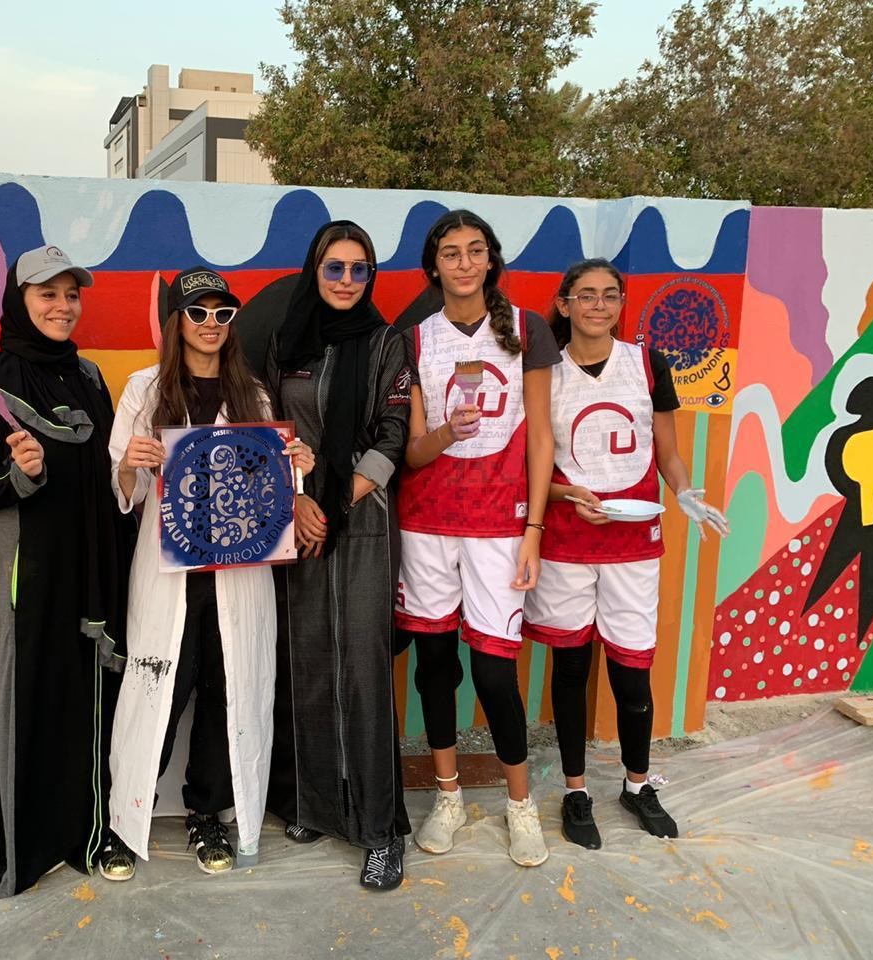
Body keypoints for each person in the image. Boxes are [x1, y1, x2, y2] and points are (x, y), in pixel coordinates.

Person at [104, 267, 315, 879]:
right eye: (198, 312)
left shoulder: (254, 395)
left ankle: (206, 811)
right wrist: (130, 464)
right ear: (177, 321)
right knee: (157, 690)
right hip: (168, 574)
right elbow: (121, 490)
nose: (211, 324)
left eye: (223, 313)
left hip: (239, 574)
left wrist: (297, 467)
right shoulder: (145, 389)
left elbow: (271, 491)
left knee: (229, 689)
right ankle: (126, 817)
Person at [522, 258, 728, 848]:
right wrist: (566, 495)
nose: (598, 305)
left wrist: (683, 491)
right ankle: (576, 790)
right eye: (586, 295)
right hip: (566, 544)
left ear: (620, 304)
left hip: (633, 546)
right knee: (571, 669)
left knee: (632, 672)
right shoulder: (544, 371)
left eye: (610, 295)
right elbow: (531, 463)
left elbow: (667, 451)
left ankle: (638, 785)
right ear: (564, 304)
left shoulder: (647, 363)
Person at [0, 245, 133, 896]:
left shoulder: (89, 377)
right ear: (18, 301)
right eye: (46, 294)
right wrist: (20, 475)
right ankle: (20, 842)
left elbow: (108, 468)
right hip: (23, 580)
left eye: (70, 294)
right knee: (24, 698)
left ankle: (89, 831)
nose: (62, 306)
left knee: (87, 697)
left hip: (89, 571)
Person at [394, 209, 559, 868]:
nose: (464, 263)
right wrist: (446, 433)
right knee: (435, 665)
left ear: (491, 259)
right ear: (433, 267)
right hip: (427, 522)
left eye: (475, 250)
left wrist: (534, 530)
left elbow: (542, 437)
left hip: (499, 524)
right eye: (451, 253)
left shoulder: (529, 329)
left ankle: (520, 806)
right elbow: (411, 452)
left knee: (494, 671)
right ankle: (448, 795)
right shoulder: (414, 339)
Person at [265, 221, 413, 892]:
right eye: (335, 267)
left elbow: (393, 434)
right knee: (308, 664)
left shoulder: (385, 343)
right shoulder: (287, 342)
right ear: (315, 270)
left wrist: (333, 500)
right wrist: (298, 502)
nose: (347, 280)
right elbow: (272, 429)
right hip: (299, 521)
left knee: (362, 672)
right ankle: (316, 805)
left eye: (359, 269)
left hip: (361, 522)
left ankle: (381, 832)